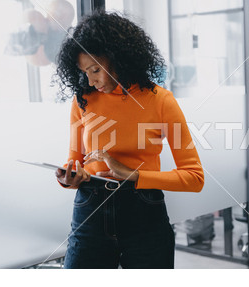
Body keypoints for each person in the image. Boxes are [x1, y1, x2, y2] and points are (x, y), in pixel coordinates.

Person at [54, 10, 204, 269]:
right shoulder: (83, 100)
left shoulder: (161, 101)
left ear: (118, 58)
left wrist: (133, 174)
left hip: (143, 214)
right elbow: (75, 160)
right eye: (84, 72)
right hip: (90, 212)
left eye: (95, 70)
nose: (90, 80)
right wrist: (70, 178)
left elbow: (194, 178)